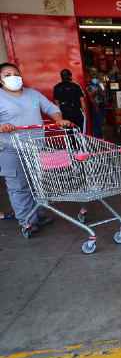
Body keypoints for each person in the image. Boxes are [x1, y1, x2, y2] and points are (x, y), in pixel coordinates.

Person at [0, 62, 71, 233]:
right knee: (19, 185)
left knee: (36, 183)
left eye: (16, 74)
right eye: (7, 75)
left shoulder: (33, 94)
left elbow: (51, 108)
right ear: (0, 80)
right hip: (11, 148)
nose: (13, 78)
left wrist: (58, 118)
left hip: (36, 147)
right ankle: (26, 221)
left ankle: (37, 214)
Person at [86, 73, 106, 139]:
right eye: (94, 78)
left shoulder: (98, 85)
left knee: (100, 123)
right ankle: (97, 138)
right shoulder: (90, 87)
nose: (96, 79)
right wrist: (96, 106)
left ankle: (99, 136)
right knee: (97, 123)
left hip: (101, 106)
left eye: (97, 78)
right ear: (91, 79)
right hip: (96, 107)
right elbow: (91, 97)